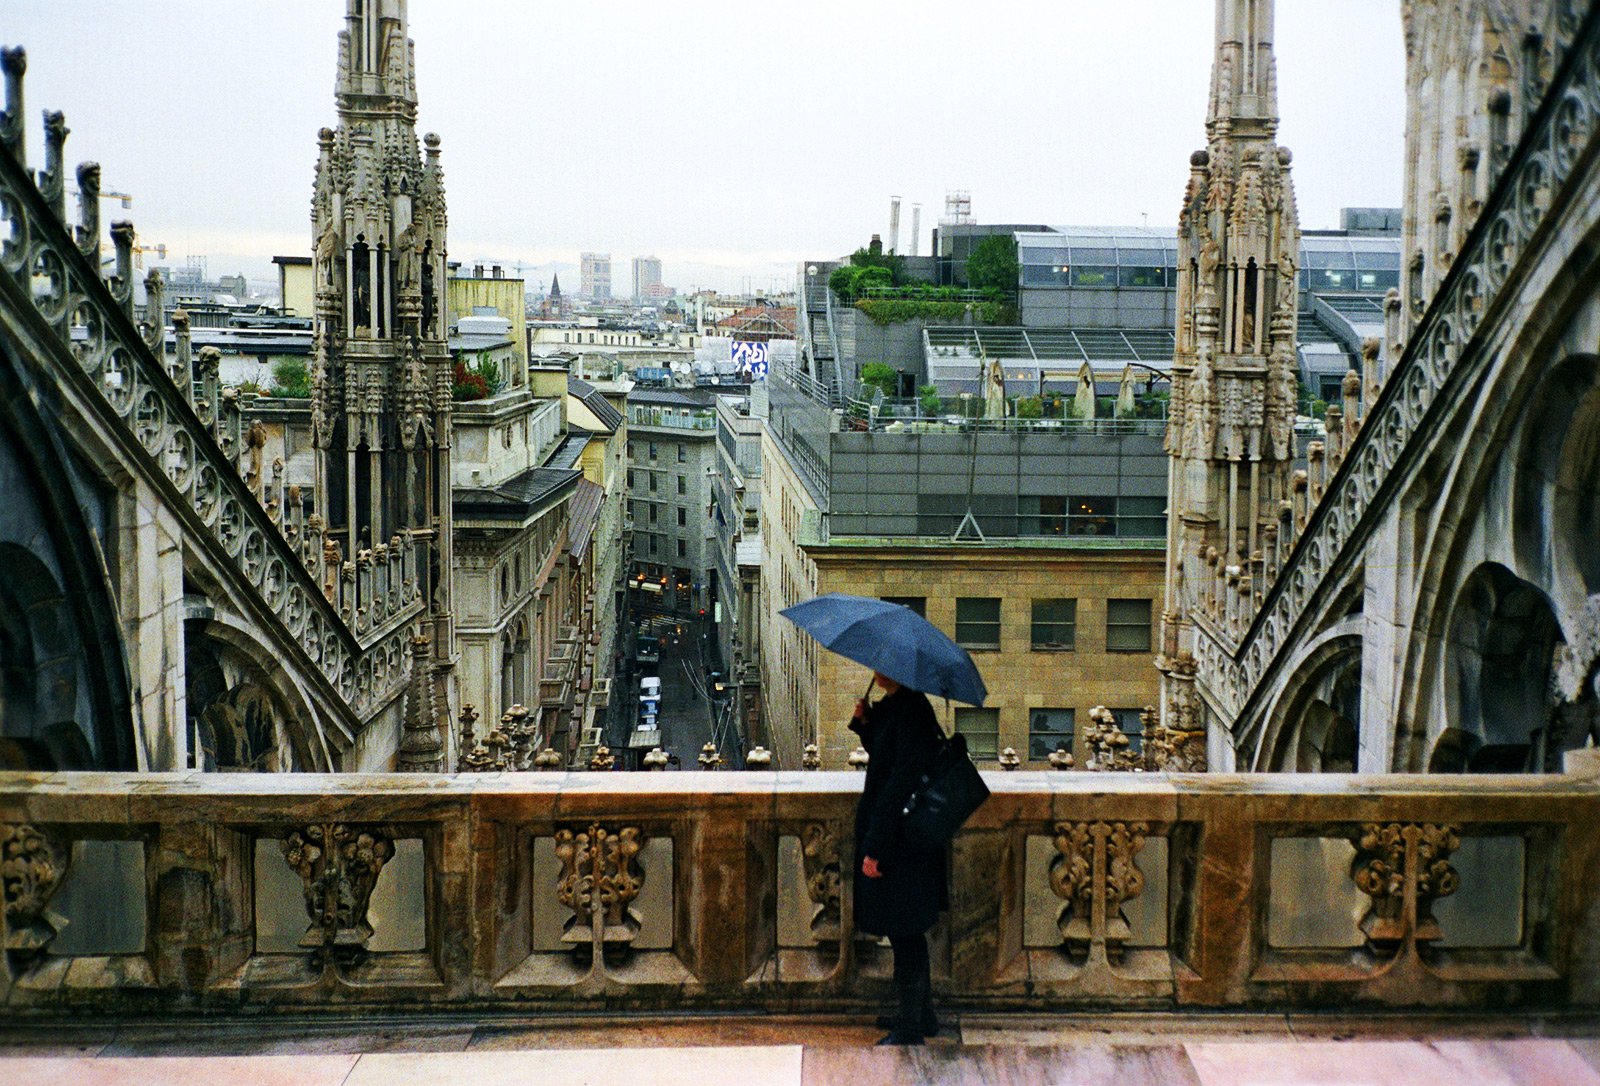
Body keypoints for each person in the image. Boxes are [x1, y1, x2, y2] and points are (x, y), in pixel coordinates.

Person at [850, 671, 949, 1046]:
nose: (877, 673)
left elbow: (898, 784)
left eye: (885, 668)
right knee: (906, 931)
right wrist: (864, 725)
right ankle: (922, 1016)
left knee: (904, 932)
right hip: (906, 840)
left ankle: (909, 1028)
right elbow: (886, 755)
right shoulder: (900, 707)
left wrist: (875, 847)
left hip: (903, 843)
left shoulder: (912, 712)